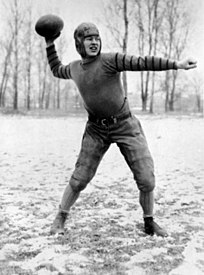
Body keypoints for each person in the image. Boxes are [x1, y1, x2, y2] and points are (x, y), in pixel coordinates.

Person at [45, 22, 197, 237]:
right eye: (89, 38)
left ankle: (149, 221)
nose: (94, 42)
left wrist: (177, 64)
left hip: (125, 124)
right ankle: (60, 217)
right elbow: (55, 69)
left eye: (97, 38)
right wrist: (49, 43)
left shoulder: (110, 60)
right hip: (96, 129)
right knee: (80, 178)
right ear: (79, 42)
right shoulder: (74, 68)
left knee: (146, 178)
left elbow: (143, 62)